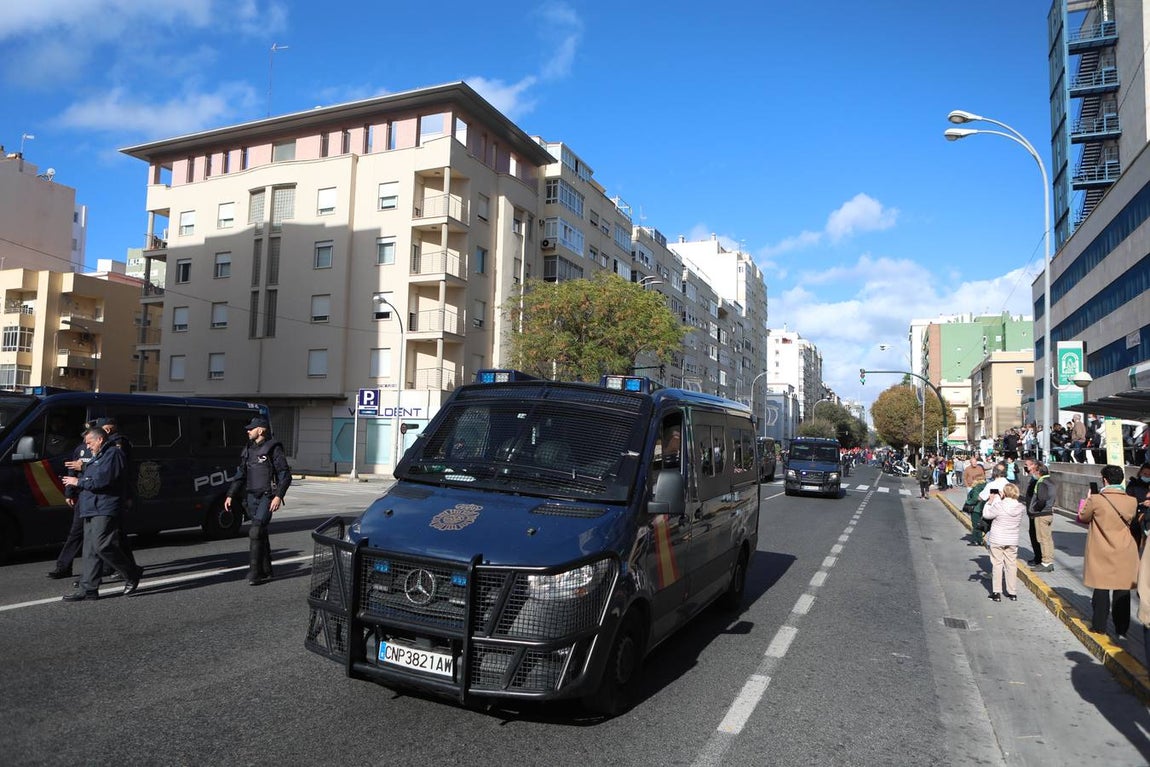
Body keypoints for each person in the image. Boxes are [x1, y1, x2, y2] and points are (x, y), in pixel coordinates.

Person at [59, 427, 143, 601]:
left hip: (105, 506)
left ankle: (132, 572)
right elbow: (92, 475)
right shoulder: (98, 456)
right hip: (90, 506)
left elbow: (102, 480)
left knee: (102, 545)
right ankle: (88, 589)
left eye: (89, 443)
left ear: (100, 440)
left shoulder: (113, 454)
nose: (87, 447)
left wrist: (78, 481)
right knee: (89, 550)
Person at [225, 417, 291, 586]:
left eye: (251, 428)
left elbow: (285, 475)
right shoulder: (248, 449)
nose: (248, 431)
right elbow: (241, 474)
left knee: (255, 531)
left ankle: (255, 573)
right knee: (260, 532)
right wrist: (230, 495)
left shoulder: (273, 448)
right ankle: (267, 570)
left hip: (267, 496)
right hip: (251, 497)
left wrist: (278, 496)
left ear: (260, 430)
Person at [1079, 464, 1140, 637]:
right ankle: (1122, 629)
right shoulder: (1132, 501)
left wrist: (1087, 499)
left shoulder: (1097, 500)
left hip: (1101, 550)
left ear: (1104, 479)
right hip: (1125, 549)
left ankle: (1099, 626)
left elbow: (1083, 517)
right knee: (1122, 590)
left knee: (1101, 589)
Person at [46, 422, 96, 579]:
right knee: (76, 532)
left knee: (106, 536)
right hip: (82, 494)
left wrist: (84, 466)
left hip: (99, 496)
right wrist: (69, 493)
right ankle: (63, 566)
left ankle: (115, 567)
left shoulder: (106, 450)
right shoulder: (80, 449)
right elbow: (71, 470)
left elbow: (103, 469)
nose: (86, 441)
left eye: (89, 436)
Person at [982, 482, 1027, 601]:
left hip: (997, 538)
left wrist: (990, 501)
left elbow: (986, 515)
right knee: (1011, 565)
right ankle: (1012, 592)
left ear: (1004, 493)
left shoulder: (999, 506)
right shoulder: (1020, 508)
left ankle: (997, 592)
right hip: (1012, 539)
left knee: (997, 565)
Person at [1025, 460, 1056, 572]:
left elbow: (1042, 499)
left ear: (1039, 472)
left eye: (1034, 471)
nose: (1032, 473)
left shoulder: (1042, 482)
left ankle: (1046, 562)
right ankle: (1049, 561)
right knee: (1047, 539)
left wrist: (1034, 509)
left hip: (1042, 514)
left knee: (1042, 539)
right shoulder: (1050, 481)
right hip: (1048, 513)